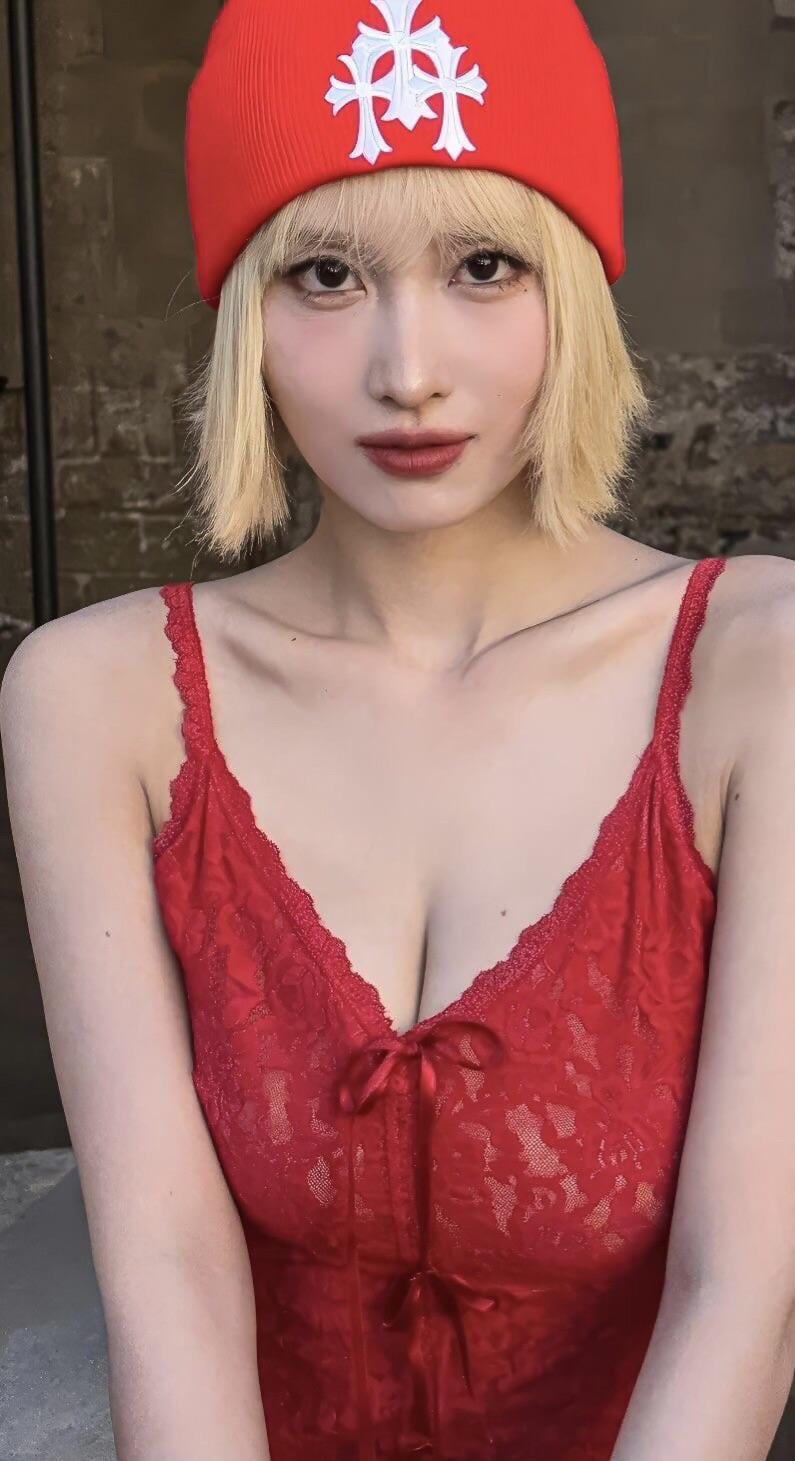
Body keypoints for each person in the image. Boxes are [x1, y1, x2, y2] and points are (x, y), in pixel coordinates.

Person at [2, 2, 794, 1459]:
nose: (407, 368)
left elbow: (745, 1287)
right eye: (325, 274)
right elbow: (168, 1274)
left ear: (573, 286)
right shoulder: (96, 697)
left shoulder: (760, 670)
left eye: (484, 265)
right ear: (242, 310)